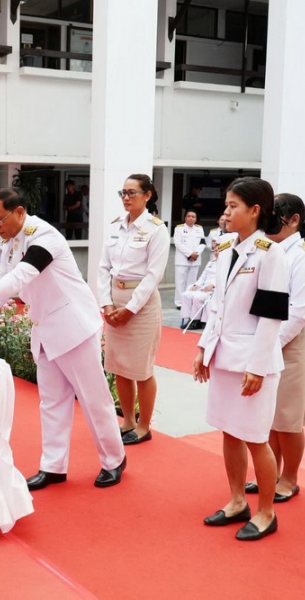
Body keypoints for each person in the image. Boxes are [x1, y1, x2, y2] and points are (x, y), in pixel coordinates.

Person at [0, 187, 126, 491]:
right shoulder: (11, 242)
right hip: (46, 329)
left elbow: (21, 277)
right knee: (51, 402)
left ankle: (114, 459)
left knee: (93, 399)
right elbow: (4, 284)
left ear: (20, 212)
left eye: (0, 220)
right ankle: (53, 466)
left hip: (73, 328)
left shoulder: (45, 236)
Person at [193, 176, 288, 542]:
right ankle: (236, 501)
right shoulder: (225, 248)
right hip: (224, 357)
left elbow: (271, 316)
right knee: (229, 432)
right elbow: (217, 306)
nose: (226, 212)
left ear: (255, 210)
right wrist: (204, 348)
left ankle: (266, 512)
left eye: (233, 206)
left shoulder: (269, 253)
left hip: (253, 363)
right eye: (227, 205)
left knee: (255, 438)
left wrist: (258, 367)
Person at [243, 193, 305, 503]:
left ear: (294, 220)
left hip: (291, 342)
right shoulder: (266, 249)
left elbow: (300, 312)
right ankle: (270, 472)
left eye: (275, 215)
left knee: (288, 419)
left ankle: (290, 477)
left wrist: (268, 346)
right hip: (266, 339)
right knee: (269, 416)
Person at [98, 174, 170, 446]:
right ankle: (127, 420)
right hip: (115, 299)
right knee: (119, 366)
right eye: (123, 193)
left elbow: (153, 276)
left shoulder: (156, 230)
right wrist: (106, 303)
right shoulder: (116, 226)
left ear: (147, 195)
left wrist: (130, 309)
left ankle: (143, 426)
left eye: (132, 193)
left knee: (141, 368)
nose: (126, 198)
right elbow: (103, 267)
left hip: (141, 303)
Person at [181, 243, 218, 330]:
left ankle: (195, 321)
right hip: (203, 288)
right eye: (215, 250)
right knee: (186, 295)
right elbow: (203, 276)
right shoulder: (211, 262)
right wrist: (196, 284)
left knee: (197, 298)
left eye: (218, 250)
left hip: (213, 290)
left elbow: (223, 278)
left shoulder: (225, 264)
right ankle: (189, 319)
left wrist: (213, 285)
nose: (216, 252)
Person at [173, 209, 206, 309]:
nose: (191, 218)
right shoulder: (179, 228)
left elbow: (203, 243)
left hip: (195, 260)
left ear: (196, 219)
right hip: (182, 260)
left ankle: (189, 302)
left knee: (192, 282)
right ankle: (179, 303)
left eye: (193, 217)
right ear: (185, 218)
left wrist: (196, 254)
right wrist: (190, 254)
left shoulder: (199, 229)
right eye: (189, 216)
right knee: (180, 282)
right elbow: (178, 243)